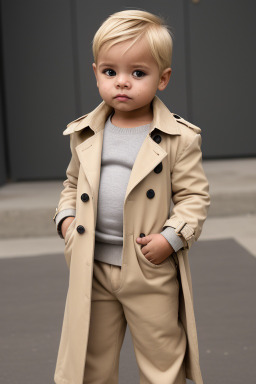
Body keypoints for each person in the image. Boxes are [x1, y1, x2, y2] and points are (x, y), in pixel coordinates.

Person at [53, 9, 210, 384]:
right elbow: (71, 184)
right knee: (89, 357)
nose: (122, 83)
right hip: (91, 265)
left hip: (148, 265)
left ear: (163, 78)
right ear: (96, 73)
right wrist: (67, 220)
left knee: (162, 356)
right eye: (111, 72)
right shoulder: (86, 133)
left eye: (138, 73)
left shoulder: (179, 138)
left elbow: (193, 197)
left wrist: (171, 238)